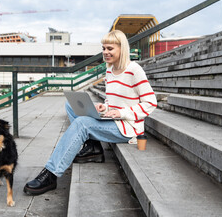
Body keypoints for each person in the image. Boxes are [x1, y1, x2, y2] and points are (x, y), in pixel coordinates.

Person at [23, 30, 157, 195]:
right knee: (71, 105)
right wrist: (105, 107)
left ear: (122, 49)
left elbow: (151, 103)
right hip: (113, 119)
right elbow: (113, 100)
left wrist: (121, 113)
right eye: (103, 48)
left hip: (128, 128)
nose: (105, 52)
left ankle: (51, 174)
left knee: (82, 124)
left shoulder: (134, 70)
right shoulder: (110, 70)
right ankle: (93, 147)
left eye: (110, 48)